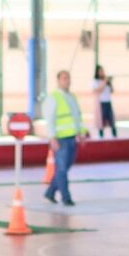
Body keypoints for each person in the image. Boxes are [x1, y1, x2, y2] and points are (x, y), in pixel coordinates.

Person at [44, 68, 86, 205]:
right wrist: (52, 137)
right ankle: (66, 197)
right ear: (58, 81)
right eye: (64, 78)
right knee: (61, 169)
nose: (67, 81)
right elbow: (50, 119)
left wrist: (81, 132)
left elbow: (77, 117)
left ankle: (50, 192)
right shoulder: (53, 97)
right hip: (60, 139)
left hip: (72, 137)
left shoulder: (72, 97)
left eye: (68, 78)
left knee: (66, 166)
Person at [92, 64, 118, 138]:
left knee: (112, 121)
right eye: (100, 71)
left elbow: (112, 91)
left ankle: (115, 136)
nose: (102, 72)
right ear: (97, 72)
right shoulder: (95, 81)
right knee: (101, 121)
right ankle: (101, 137)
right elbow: (98, 90)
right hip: (101, 103)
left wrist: (110, 82)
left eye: (102, 71)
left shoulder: (106, 81)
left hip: (108, 102)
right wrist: (104, 82)